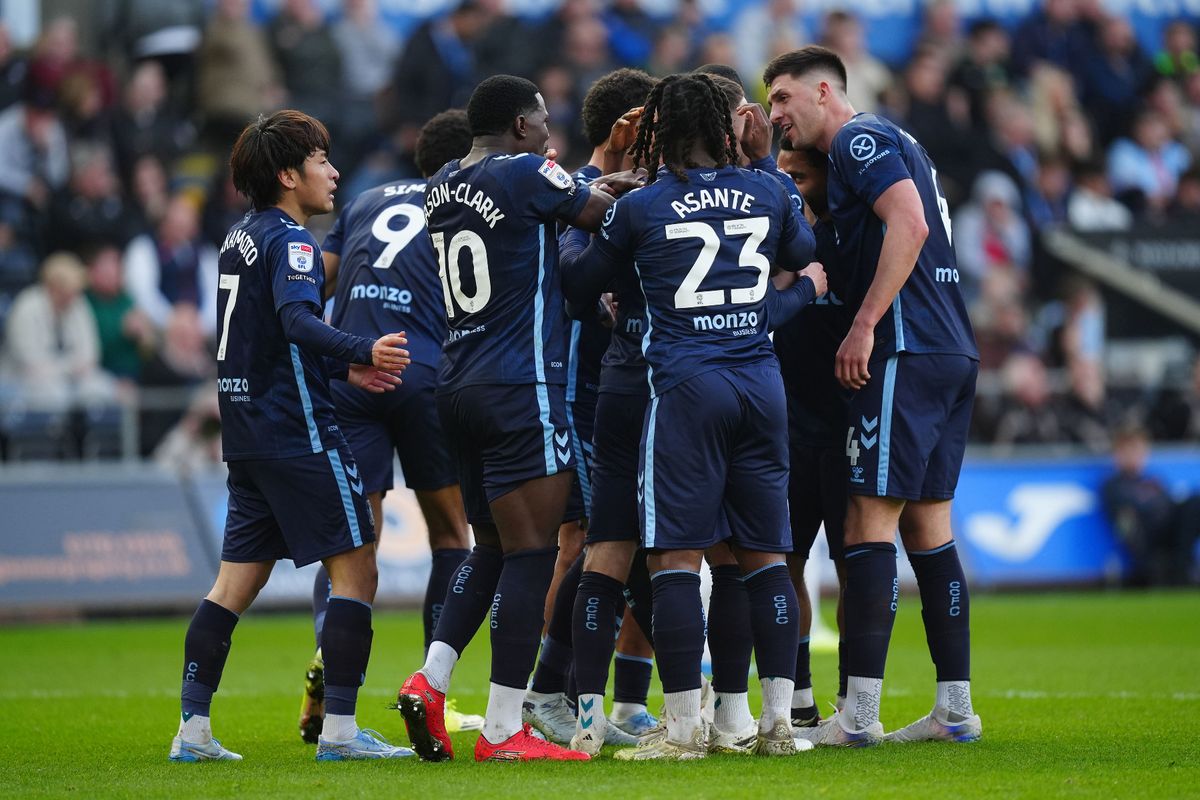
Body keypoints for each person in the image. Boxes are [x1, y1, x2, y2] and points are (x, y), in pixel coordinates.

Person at [564, 71, 820, 760]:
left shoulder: (643, 206)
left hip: (682, 388)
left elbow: (579, 285)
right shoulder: (768, 187)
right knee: (766, 557)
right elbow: (800, 256)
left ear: (657, 129)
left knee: (675, 556)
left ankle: (680, 733)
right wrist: (762, 160)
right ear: (729, 124)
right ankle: (776, 727)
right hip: (761, 386)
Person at [167, 109, 412, 763]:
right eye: (320, 161)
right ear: (286, 174)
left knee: (232, 586)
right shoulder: (295, 243)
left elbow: (272, 336)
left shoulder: (237, 237)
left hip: (246, 435)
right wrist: (360, 350)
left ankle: (192, 732)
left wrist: (341, 363)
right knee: (358, 567)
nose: (332, 173)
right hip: (300, 433)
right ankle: (339, 733)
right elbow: (299, 320)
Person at [394, 74, 619, 764]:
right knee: (531, 553)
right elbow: (599, 213)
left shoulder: (441, 185)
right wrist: (632, 186)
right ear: (521, 127)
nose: (553, 132)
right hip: (522, 385)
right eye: (544, 121)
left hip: (456, 384)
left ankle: (430, 680)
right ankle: (501, 729)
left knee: (489, 547)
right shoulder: (527, 172)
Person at [766, 46, 982, 746]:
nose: (777, 116)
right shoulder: (898, 139)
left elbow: (911, 224)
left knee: (867, 522)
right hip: (951, 348)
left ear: (823, 90)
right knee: (929, 528)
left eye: (782, 100)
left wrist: (864, 325)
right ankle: (955, 709)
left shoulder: (859, 139)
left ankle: (857, 715)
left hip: (904, 348)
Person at [296, 108, 479, 745]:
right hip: (425, 374)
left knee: (354, 544)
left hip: (353, 373)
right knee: (453, 534)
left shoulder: (369, 198)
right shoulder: (468, 203)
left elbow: (326, 274)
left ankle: (328, 655)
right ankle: (434, 690)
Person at [522, 67, 658, 751]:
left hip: (626, 394)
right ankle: (550, 694)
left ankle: (626, 700)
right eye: (651, 122)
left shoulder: (644, 193)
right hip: (576, 393)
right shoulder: (568, 193)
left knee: (639, 542)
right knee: (581, 544)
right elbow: (573, 293)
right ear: (627, 126)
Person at [771, 140, 852, 730]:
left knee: (856, 563)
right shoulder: (780, 232)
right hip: (791, 420)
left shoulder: (855, 235)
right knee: (786, 558)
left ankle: (854, 697)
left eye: (800, 176)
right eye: (784, 177)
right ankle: (798, 696)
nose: (791, 187)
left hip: (851, 420)